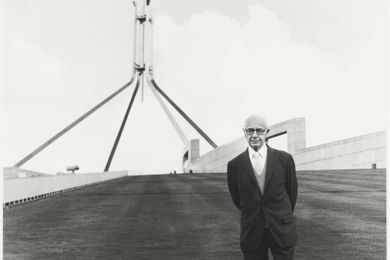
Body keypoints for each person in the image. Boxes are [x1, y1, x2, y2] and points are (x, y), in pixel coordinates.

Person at [227, 114, 298, 260]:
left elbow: (292, 193)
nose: (254, 135)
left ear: (267, 132)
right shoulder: (234, 165)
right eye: (250, 131)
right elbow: (237, 199)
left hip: (281, 229)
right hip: (252, 231)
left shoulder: (284, 160)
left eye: (259, 130)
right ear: (244, 133)